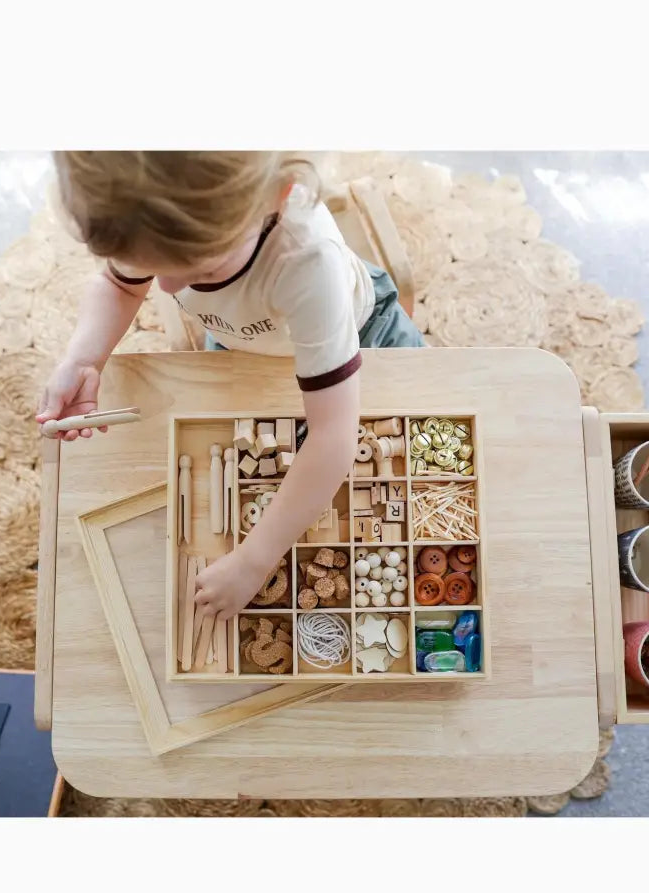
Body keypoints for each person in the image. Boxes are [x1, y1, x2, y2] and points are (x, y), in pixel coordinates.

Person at [38, 151, 423, 619]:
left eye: (198, 270)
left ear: (277, 198)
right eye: (152, 266)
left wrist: (255, 560)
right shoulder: (154, 219)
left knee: (426, 410)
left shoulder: (307, 261)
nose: (166, 286)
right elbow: (120, 286)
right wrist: (83, 358)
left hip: (362, 333)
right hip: (247, 347)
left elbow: (334, 438)